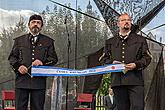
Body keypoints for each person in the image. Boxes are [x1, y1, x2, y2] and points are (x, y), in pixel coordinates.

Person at [100, 13, 152, 110]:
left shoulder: (140, 40)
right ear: (118, 24)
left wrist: (136, 64)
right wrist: (112, 63)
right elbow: (103, 59)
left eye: (128, 20)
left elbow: (147, 57)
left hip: (135, 80)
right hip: (117, 81)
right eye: (123, 20)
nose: (127, 22)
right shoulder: (110, 42)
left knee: (138, 107)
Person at [8, 14, 58, 110]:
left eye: (38, 23)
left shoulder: (48, 41)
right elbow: (12, 57)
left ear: (41, 26)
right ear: (29, 25)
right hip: (21, 81)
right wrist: (18, 66)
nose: (36, 24)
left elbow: (53, 59)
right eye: (33, 22)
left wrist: (42, 62)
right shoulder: (19, 41)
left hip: (39, 83)